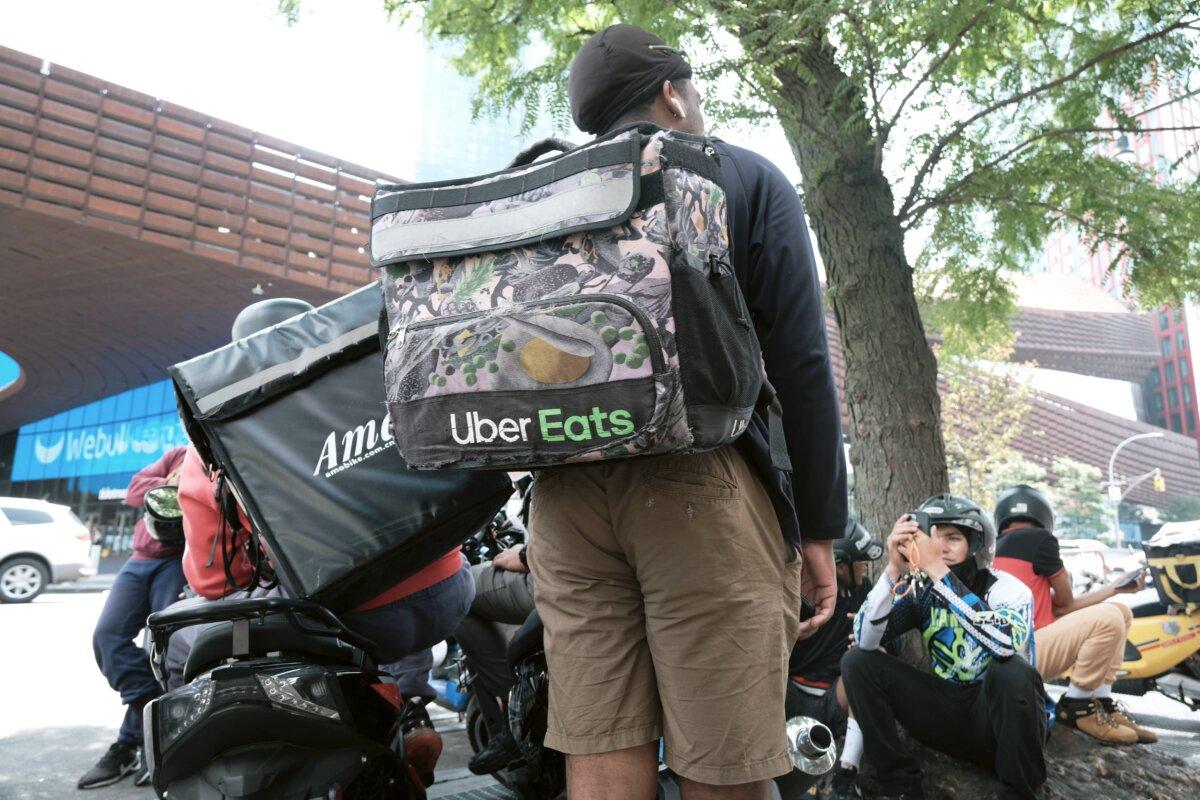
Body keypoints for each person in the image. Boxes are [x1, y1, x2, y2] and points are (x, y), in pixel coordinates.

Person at [529, 24, 847, 799]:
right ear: (672, 93)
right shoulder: (741, 175)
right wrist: (819, 527)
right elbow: (800, 363)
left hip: (565, 496)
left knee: (602, 750)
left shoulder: (540, 191)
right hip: (700, 487)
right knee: (725, 759)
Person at [169, 297, 479, 788]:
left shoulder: (217, 439)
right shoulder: (381, 381)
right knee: (388, 565)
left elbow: (213, 579)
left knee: (186, 633)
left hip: (350, 623)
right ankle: (410, 705)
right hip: (450, 592)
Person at [842, 494, 1046, 800]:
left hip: (998, 720)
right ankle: (899, 784)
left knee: (1011, 671)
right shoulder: (920, 591)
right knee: (857, 661)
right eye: (932, 537)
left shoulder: (1006, 588)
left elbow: (1004, 646)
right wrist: (893, 569)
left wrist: (938, 570)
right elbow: (866, 639)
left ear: (976, 545)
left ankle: (1020, 792)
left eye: (953, 538)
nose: (939, 546)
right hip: (948, 712)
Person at [993, 485, 1155, 744]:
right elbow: (1067, 603)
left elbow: (1059, 609)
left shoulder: (994, 547)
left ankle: (1100, 703)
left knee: (1120, 613)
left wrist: (1115, 590)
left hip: (1010, 658)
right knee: (1111, 618)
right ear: (1044, 518)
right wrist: (1113, 588)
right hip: (1026, 656)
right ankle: (1076, 705)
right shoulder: (1040, 540)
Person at [79, 445, 188, 790]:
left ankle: (130, 745)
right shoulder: (177, 454)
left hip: (179, 560)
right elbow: (134, 489)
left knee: (162, 648)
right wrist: (170, 481)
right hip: (141, 558)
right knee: (107, 635)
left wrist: (178, 485)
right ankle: (150, 713)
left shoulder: (215, 452)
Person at [785, 519, 881, 800]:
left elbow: (891, 635)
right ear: (840, 566)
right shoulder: (806, 592)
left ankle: (844, 776)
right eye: (860, 562)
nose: (865, 568)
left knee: (863, 670)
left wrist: (875, 642)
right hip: (790, 696)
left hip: (832, 697)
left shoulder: (866, 591)